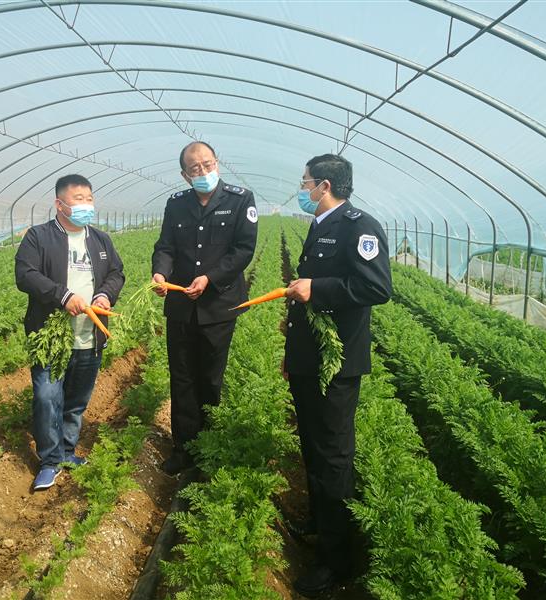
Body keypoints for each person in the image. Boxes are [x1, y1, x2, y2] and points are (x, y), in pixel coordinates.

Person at [282, 154, 392, 596]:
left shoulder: (358, 227)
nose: (303, 188)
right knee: (312, 443)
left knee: (332, 455)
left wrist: (317, 288)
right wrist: (292, 356)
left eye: (305, 182)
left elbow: (376, 287)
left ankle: (335, 559)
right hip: (311, 360)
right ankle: (318, 520)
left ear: (323, 185)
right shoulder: (321, 224)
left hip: (338, 363)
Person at [151, 141, 258, 475]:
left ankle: (208, 450)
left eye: (207, 164)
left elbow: (243, 250)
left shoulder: (241, 199)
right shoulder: (177, 204)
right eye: (195, 168)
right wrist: (160, 272)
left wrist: (209, 278)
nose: (203, 171)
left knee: (210, 378)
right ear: (185, 175)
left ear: (217, 163)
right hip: (181, 304)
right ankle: (183, 450)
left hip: (218, 304)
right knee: (181, 378)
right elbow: (165, 246)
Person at [15, 174, 125, 491]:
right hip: (51, 335)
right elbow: (25, 274)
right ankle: (49, 460)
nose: (86, 205)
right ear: (59, 204)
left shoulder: (101, 240)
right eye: (79, 199)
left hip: (90, 336)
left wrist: (105, 295)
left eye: (89, 198)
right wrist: (62, 297)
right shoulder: (39, 237)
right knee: (48, 397)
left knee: (76, 402)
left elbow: (117, 273)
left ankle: (66, 452)